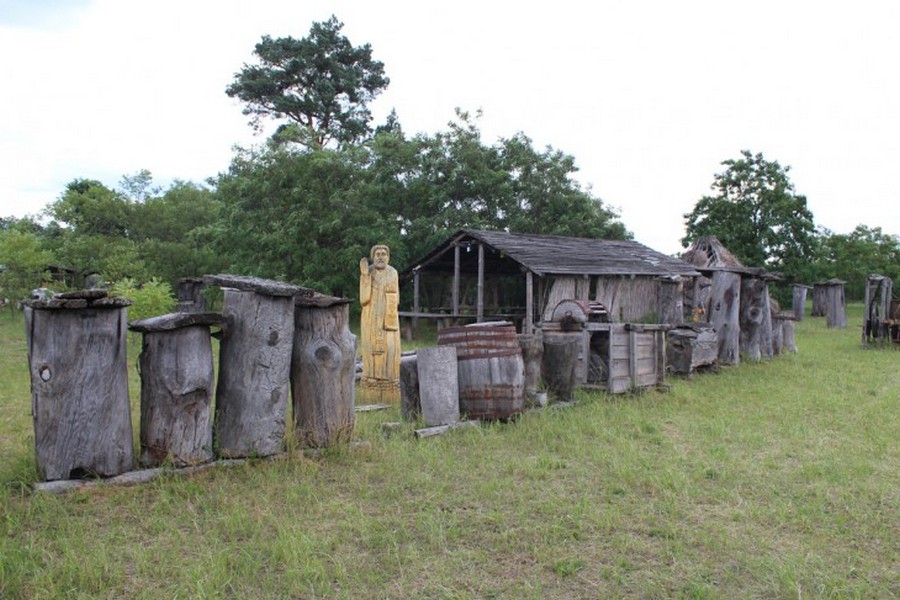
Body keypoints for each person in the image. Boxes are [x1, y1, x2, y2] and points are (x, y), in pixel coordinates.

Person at [359, 244, 400, 402]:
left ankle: (391, 393)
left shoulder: (393, 273)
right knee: (370, 352)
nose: (381, 257)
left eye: (384, 254)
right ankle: (371, 392)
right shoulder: (368, 271)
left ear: (388, 257)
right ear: (372, 257)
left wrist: (389, 298)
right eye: (377, 254)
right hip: (370, 318)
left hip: (388, 320)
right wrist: (364, 277)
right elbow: (363, 300)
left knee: (390, 350)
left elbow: (397, 300)